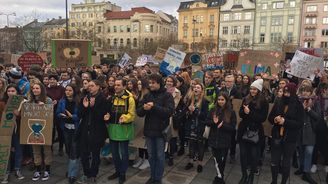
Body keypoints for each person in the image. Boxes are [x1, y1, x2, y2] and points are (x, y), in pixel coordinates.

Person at [136, 73, 175, 184]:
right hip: (149, 131)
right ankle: (152, 176)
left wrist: (154, 107)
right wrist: (144, 108)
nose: (151, 85)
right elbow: (139, 112)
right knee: (151, 156)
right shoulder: (147, 95)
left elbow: (169, 112)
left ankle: (158, 179)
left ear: (159, 83)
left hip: (161, 131)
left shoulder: (167, 95)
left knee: (160, 156)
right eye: (150, 83)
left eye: (153, 83)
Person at [268, 83, 304, 184]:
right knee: (274, 161)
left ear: (293, 92)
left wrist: (285, 122)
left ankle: (283, 182)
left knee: (286, 163)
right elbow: (270, 117)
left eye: (288, 92)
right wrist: (275, 119)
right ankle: (274, 181)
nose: (286, 94)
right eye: (285, 92)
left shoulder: (298, 105)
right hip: (277, 136)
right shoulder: (279, 101)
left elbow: (300, 123)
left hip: (290, 138)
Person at [77, 80, 108, 183]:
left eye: (92, 86)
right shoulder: (85, 97)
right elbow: (80, 114)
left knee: (95, 154)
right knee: (84, 154)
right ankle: (86, 173)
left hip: (97, 130)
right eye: (89, 86)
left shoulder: (103, 99)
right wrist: (85, 107)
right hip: (85, 130)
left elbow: (101, 117)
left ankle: (93, 174)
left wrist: (92, 107)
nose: (89, 87)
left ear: (98, 87)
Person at [238, 79, 268, 184]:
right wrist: (245, 112)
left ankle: (251, 176)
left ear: (259, 90)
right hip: (244, 130)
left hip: (256, 132)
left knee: (254, 156)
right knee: (243, 155)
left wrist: (250, 113)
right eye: (251, 89)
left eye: (255, 89)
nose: (252, 91)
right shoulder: (246, 99)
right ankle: (244, 175)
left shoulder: (263, 101)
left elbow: (262, 118)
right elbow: (240, 113)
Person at [106, 78, 136, 184]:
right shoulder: (112, 98)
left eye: (118, 85)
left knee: (124, 153)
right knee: (114, 153)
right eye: (115, 85)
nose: (116, 87)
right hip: (113, 129)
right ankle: (117, 171)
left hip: (124, 130)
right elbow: (109, 111)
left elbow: (132, 115)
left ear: (124, 86)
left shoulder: (130, 99)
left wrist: (125, 118)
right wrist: (107, 116)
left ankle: (123, 173)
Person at [207, 93, 236, 184]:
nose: (220, 101)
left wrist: (222, 125)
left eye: (222, 100)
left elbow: (232, 127)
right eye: (219, 99)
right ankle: (219, 176)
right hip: (214, 139)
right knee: (216, 159)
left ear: (226, 101)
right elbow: (207, 122)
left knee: (222, 160)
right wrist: (214, 122)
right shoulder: (213, 110)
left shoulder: (231, 112)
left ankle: (220, 177)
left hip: (224, 141)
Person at [294, 86, 320, 184]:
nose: (305, 92)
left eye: (307, 91)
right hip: (300, 131)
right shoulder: (298, 101)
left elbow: (318, 117)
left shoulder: (315, 102)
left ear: (310, 92)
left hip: (310, 132)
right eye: (303, 91)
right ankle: (302, 168)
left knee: (309, 152)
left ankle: (306, 173)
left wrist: (308, 109)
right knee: (301, 151)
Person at [27, 82, 53, 181]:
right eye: (33, 88)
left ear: (41, 89)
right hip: (33, 129)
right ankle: (37, 169)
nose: (35, 90)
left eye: (37, 88)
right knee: (36, 150)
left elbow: (51, 114)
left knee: (47, 150)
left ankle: (47, 169)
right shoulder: (30, 101)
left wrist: (45, 106)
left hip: (45, 129)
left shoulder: (48, 100)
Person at [56, 84, 81, 184]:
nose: (67, 92)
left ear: (74, 91)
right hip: (66, 128)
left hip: (76, 129)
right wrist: (60, 115)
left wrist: (72, 116)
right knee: (69, 149)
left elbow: (80, 116)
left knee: (74, 151)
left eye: (70, 90)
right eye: (66, 90)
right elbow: (57, 113)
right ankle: (72, 168)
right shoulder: (62, 101)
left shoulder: (78, 102)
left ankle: (72, 174)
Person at [0, 84, 25, 184]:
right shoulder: (1, 103)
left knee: (18, 149)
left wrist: (18, 115)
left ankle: (17, 168)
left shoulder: (22, 102)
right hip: (5, 131)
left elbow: (26, 118)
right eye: (9, 91)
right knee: (6, 150)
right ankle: (6, 171)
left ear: (17, 92)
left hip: (17, 130)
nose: (10, 93)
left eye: (13, 91)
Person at [184, 81, 209, 173]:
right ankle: (190, 162)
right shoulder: (191, 99)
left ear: (202, 90)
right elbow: (186, 112)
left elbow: (205, 115)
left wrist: (195, 111)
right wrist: (188, 112)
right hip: (191, 126)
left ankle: (200, 164)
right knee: (191, 144)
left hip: (200, 126)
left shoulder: (205, 101)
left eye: (198, 87)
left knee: (200, 145)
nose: (196, 89)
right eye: (195, 87)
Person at [133, 78, 150, 170]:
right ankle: (140, 158)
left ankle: (147, 159)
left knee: (144, 141)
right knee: (139, 140)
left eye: (140, 84)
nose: (138, 85)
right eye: (138, 84)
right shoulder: (140, 94)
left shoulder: (147, 95)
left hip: (146, 120)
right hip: (140, 119)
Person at [46, 74, 65, 156]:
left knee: (60, 130)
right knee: (51, 130)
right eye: (50, 79)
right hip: (49, 112)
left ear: (57, 80)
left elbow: (64, 97)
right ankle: (50, 147)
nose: (52, 81)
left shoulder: (61, 88)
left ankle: (61, 147)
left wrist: (57, 101)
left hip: (59, 111)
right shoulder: (46, 88)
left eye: (54, 79)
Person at [165, 75, 182, 166]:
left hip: (172, 117)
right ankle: (165, 153)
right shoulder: (162, 90)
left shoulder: (177, 92)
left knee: (172, 138)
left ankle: (171, 155)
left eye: (171, 81)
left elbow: (174, 105)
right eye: (167, 81)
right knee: (164, 136)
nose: (169, 83)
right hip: (163, 117)